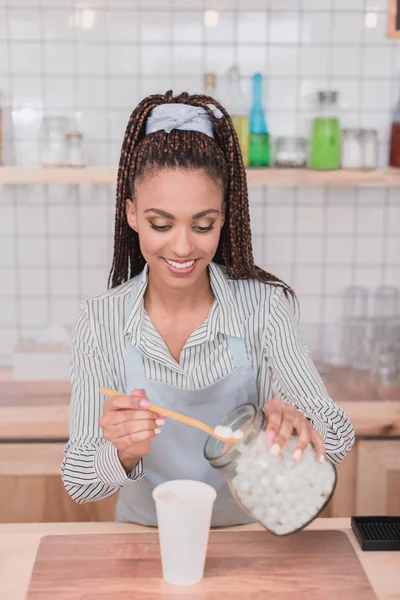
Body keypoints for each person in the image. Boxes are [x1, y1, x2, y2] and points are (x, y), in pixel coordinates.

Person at [62, 90, 354, 526]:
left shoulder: (263, 307)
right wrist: (122, 452)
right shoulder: (100, 321)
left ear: (224, 217)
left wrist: (299, 424)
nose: (182, 246)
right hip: (146, 541)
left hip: (248, 543)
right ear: (132, 214)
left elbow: (339, 433)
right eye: (161, 224)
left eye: (204, 225)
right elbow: (78, 480)